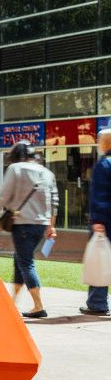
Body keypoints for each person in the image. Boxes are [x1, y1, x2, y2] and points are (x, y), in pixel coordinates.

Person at [0, 141, 58, 319]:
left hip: (23, 224)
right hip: (41, 225)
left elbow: (2, 197)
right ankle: (13, 301)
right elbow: (54, 202)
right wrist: (51, 225)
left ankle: (38, 306)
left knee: (26, 263)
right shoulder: (47, 173)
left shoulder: (16, 169)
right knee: (19, 259)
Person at [82, 129, 111, 316]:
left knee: (99, 260)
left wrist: (98, 220)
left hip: (106, 221)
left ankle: (97, 302)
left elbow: (100, 195)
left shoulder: (104, 164)